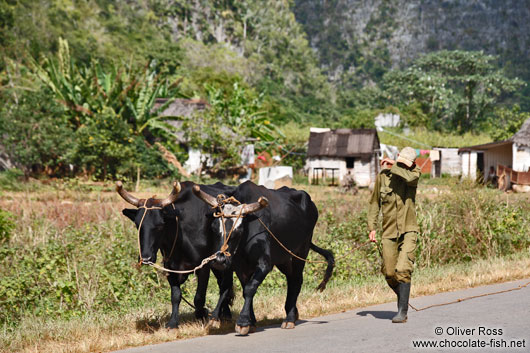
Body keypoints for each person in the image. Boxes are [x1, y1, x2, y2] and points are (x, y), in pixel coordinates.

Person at [367, 147, 421, 323]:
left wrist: (393, 166)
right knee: (390, 272)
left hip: (408, 229)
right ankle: (402, 298)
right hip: (389, 231)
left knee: (403, 269)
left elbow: (408, 177)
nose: (404, 166)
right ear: (398, 157)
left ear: (412, 163)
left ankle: (402, 312)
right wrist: (372, 227)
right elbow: (374, 202)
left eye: (407, 164)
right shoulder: (383, 177)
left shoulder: (414, 173)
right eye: (401, 161)